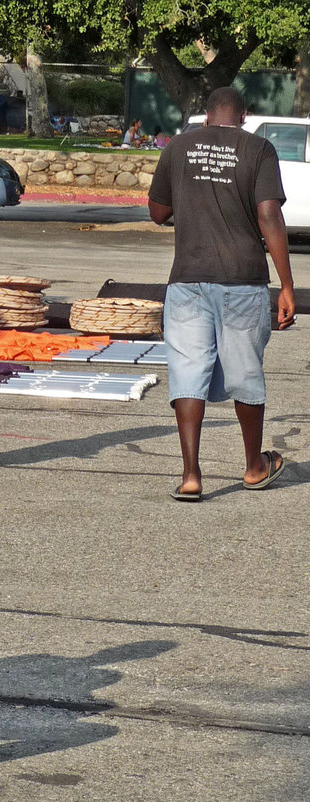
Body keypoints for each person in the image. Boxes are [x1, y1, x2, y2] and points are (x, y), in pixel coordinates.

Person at [147, 86, 296, 501]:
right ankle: (253, 467)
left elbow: (157, 211)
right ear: (243, 116)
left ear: (207, 116)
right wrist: (286, 284)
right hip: (243, 279)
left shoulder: (178, 147)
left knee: (187, 372)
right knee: (245, 371)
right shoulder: (259, 149)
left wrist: (191, 202)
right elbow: (269, 215)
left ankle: (191, 475)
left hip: (188, 279)